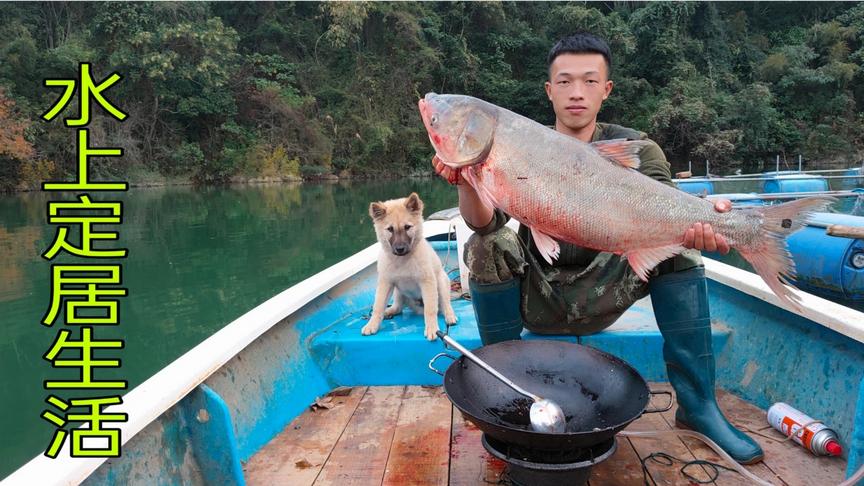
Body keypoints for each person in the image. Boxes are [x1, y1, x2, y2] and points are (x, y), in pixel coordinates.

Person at [432, 32, 764, 464]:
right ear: (549, 91)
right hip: (540, 294)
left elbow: (667, 206)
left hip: (612, 286)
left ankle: (699, 407)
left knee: (683, 249)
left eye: (589, 81)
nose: (576, 93)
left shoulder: (639, 149)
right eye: (565, 81)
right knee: (487, 243)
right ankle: (504, 393)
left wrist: (706, 219)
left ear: (606, 90)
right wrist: (466, 177)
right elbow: (483, 222)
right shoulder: (521, 142)